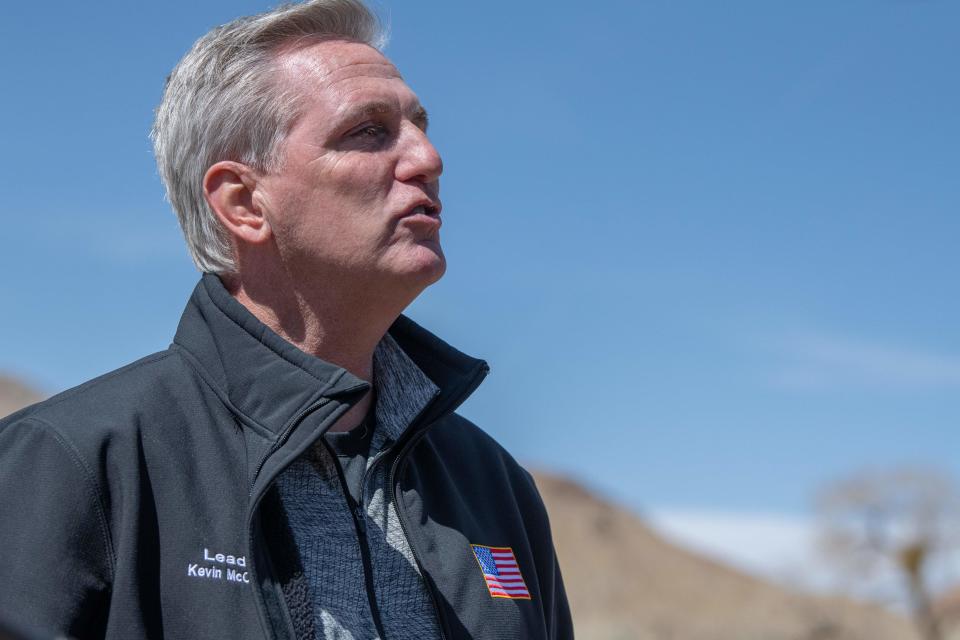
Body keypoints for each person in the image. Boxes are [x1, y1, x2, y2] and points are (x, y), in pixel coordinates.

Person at [0, 1, 572, 639]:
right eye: (368, 131)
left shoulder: (492, 484)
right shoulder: (69, 464)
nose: (427, 158)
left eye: (419, 125)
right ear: (244, 202)